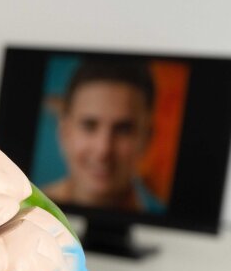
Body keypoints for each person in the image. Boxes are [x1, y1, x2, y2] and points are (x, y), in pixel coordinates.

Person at [42, 59, 165, 214]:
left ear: (147, 138)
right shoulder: (17, 212)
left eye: (123, 129)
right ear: (64, 133)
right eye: (89, 125)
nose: (103, 149)